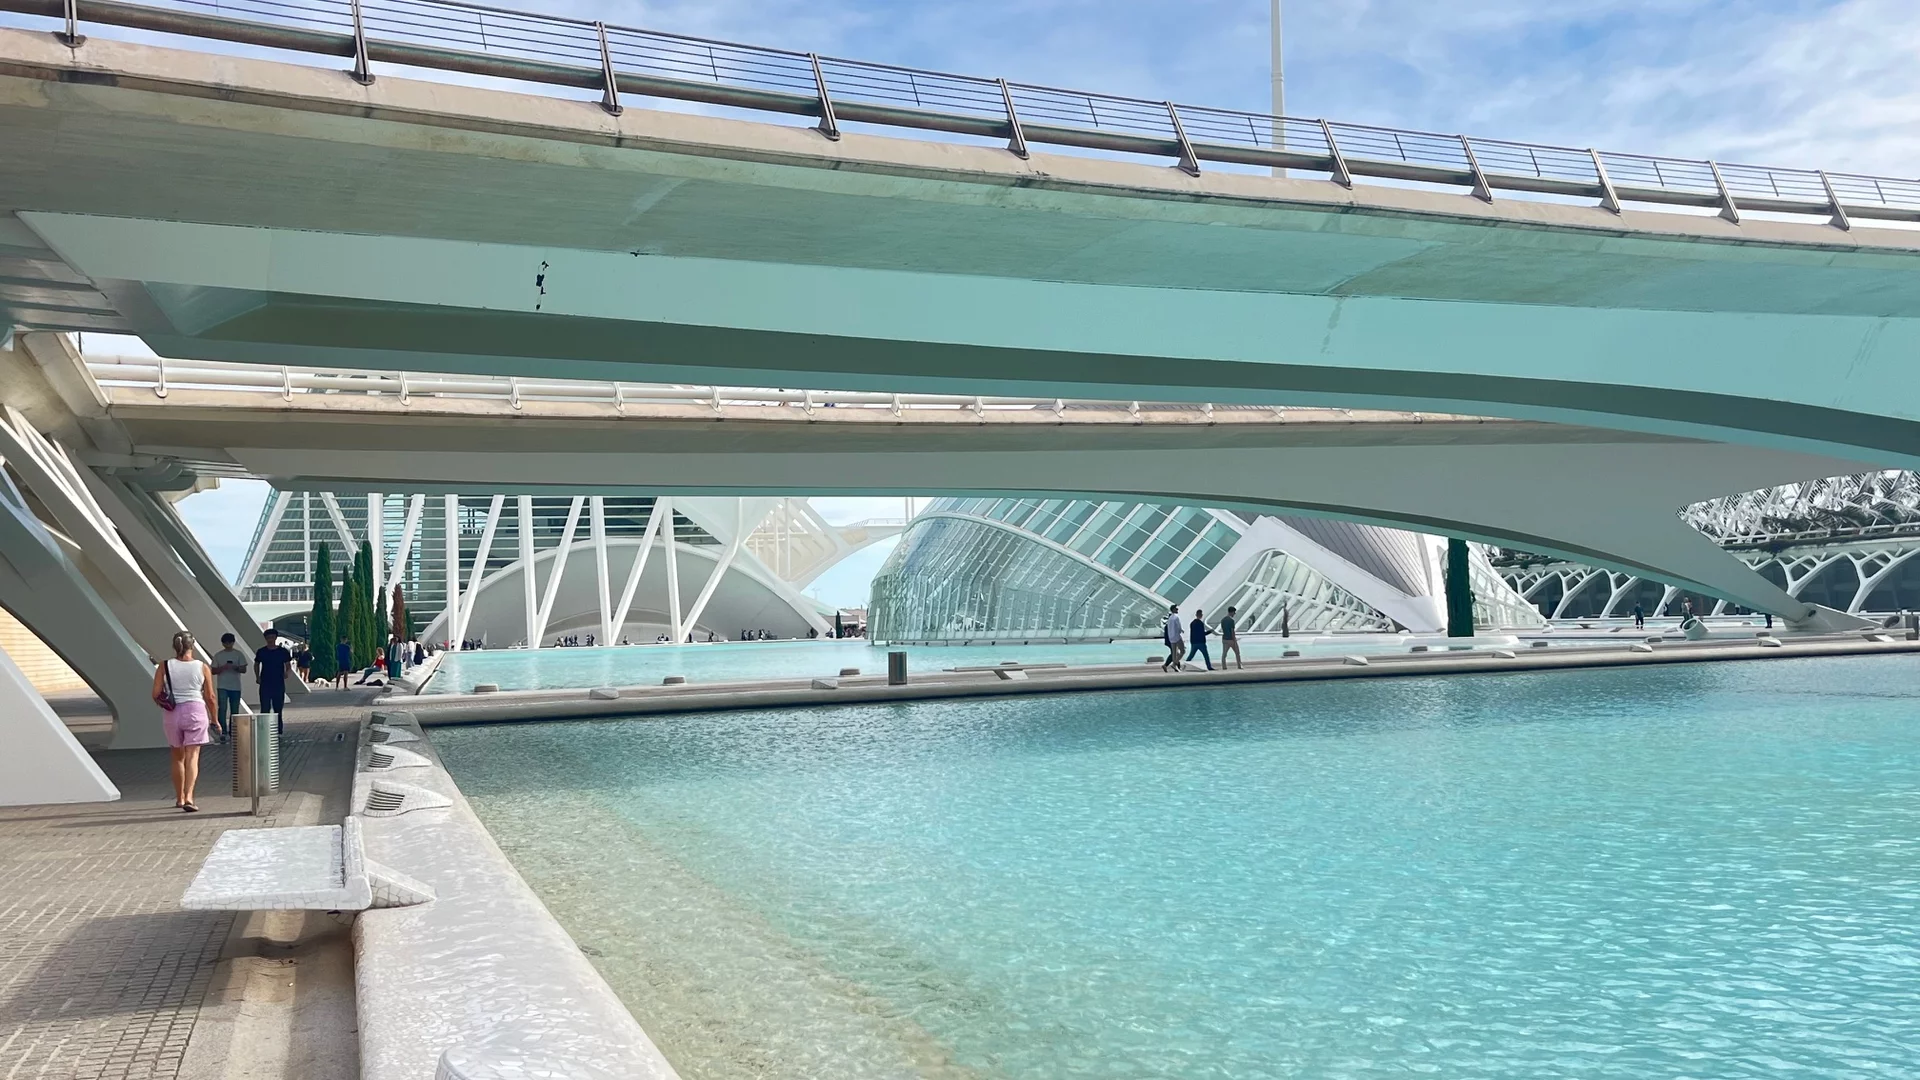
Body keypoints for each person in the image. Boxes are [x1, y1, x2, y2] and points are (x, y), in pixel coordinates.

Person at [153, 630, 215, 812]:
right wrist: (215, 719)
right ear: (192, 646)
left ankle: (179, 798)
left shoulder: (164, 666)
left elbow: (155, 693)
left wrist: (165, 703)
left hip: (172, 714)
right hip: (195, 711)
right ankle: (189, 797)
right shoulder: (202, 667)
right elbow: (210, 697)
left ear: (175, 646)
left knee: (177, 757)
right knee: (192, 756)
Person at [209, 632, 247, 744]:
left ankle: (233, 731)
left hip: (235, 686)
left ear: (233, 642)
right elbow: (213, 671)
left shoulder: (238, 654)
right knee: (222, 708)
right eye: (225, 643)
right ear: (223, 643)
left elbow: (244, 669)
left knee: (235, 710)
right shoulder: (218, 655)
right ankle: (223, 732)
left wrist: (235, 667)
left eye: (230, 642)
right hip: (222, 686)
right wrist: (223, 668)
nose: (228, 645)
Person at [255, 628, 293, 734]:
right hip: (265, 682)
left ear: (275, 638)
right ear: (265, 639)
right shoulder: (261, 651)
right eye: (268, 638)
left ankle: (278, 731)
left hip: (278, 682)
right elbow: (256, 663)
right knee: (265, 708)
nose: (270, 639)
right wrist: (257, 676)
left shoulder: (282, 652)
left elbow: (288, 665)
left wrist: (287, 673)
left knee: (278, 708)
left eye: (272, 637)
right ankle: (264, 731)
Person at [1161, 604, 1185, 672]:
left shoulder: (1170, 618)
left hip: (1171, 638)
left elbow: (1169, 629)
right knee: (1182, 651)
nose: (1177, 610)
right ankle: (1174, 664)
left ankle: (1175, 666)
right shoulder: (1176, 617)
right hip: (1177, 637)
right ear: (1173, 609)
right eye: (1176, 609)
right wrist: (1181, 631)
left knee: (1174, 653)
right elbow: (1179, 627)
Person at [1219, 605, 1243, 670]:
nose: (1234, 614)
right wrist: (1234, 640)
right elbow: (1232, 631)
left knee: (1224, 654)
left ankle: (1224, 666)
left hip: (1224, 639)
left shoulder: (1223, 620)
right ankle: (1239, 666)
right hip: (1231, 639)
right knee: (1237, 653)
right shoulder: (1231, 620)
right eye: (1234, 612)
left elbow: (1223, 629)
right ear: (1232, 612)